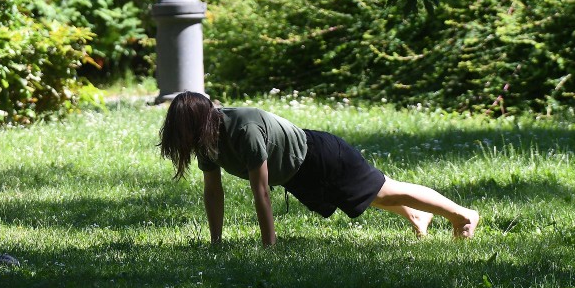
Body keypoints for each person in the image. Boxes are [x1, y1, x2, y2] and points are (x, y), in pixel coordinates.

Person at [158, 91, 479, 246]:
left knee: (384, 190)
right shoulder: (208, 141)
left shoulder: (244, 130)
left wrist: (269, 247)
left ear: (199, 123)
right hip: (300, 174)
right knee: (363, 197)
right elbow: (213, 192)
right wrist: (216, 244)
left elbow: (262, 192)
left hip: (321, 157)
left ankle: (462, 215)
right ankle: (418, 214)